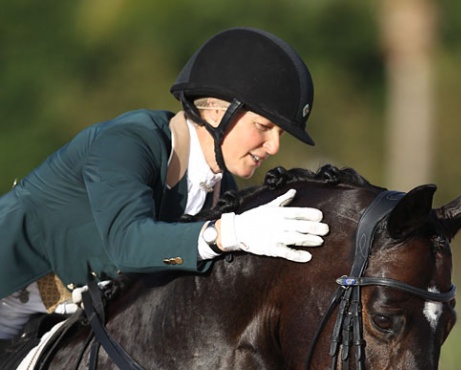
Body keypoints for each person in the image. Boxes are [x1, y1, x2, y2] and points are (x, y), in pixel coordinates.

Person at [0, 27, 329, 344]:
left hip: (61, 325)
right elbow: (127, 247)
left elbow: (168, 260)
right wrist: (225, 234)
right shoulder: (129, 142)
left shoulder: (220, 187)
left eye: (280, 135)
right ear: (216, 112)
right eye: (264, 126)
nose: (273, 147)